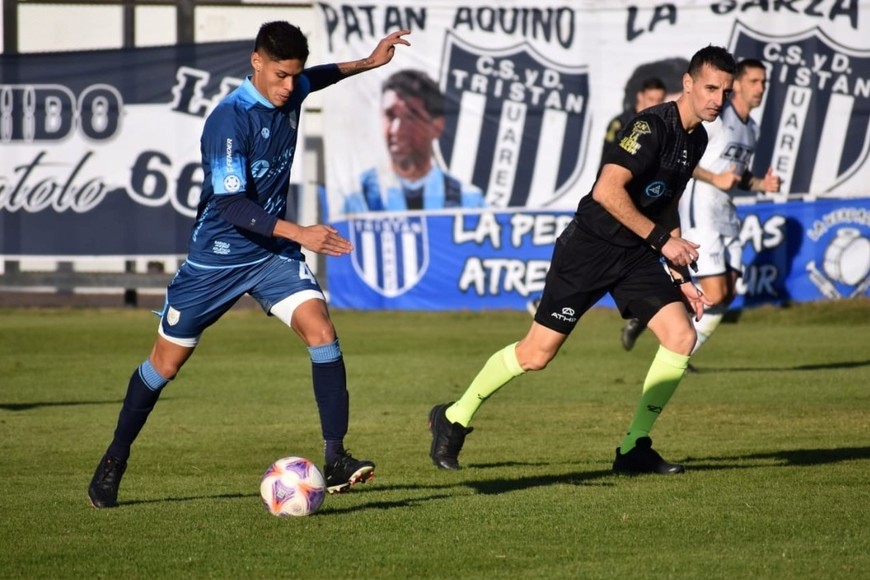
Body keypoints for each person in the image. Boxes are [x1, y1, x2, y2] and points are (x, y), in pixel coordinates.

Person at [87, 22, 411, 509]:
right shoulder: (229, 120)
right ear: (256, 61)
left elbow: (317, 78)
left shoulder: (293, 86)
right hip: (216, 261)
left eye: (293, 77)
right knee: (165, 365)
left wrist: (367, 62)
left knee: (322, 332)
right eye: (281, 76)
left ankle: (336, 455)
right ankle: (115, 456)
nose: (289, 87)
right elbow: (233, 206)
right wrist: (301, 232)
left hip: (271, 256)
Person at [429, 46, 737, 475]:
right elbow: (605, 193)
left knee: (681, 336)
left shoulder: (696, 138)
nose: (717, 99)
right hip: (589, 248)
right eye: (709, 88)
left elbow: (667, 206)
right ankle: (453, 417)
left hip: (634, 254)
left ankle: (633, 448)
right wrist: (661, 243)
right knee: (537, 354)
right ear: (687, 83)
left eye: (725, 91)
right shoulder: (650, 127)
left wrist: (680, 274)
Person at [620, 59, 781, 357]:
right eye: (754, 81)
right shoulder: (718, 119)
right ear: (739, 84)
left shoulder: (752, 129)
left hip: (726, 212)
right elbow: (687, 162)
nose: (760, 88)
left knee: (727, 294)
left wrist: (761, 185)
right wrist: (715, 178)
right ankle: (667, 335)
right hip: (701, 209)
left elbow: (736, 174)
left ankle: (673, 343)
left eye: (764, 82)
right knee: (715, 293)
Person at [343, 68, 484, 213]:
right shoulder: (359, 198)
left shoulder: (468, 201)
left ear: (437, 126)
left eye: (411, 117)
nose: (397, 130)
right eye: (390, 116)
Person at [600, 76, 668, 165]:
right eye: (651, 99)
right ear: (640, 96)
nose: (655, 104)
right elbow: (608, 158)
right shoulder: (621, 123)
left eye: (660, 100)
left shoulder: (664, 126)